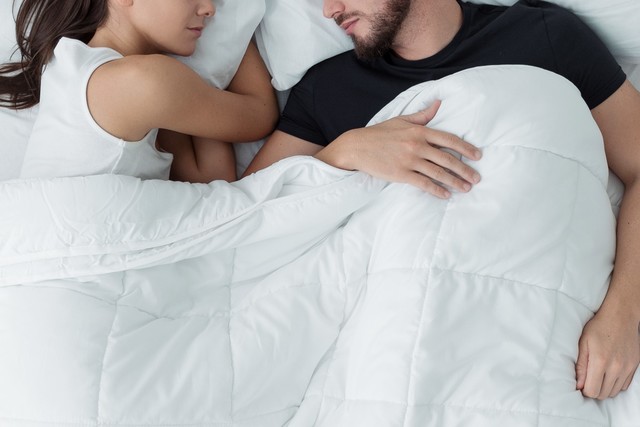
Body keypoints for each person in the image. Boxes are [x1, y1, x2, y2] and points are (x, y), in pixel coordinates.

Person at [244, 0, 640, 400]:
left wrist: (623, 315)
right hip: (384, 352)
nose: (330, 9)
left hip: (538, 336)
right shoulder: (331, 89)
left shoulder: (544, 35)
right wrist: (346, 152)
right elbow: (246, 214)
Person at [0, 0, 278, 182]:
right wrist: (231, 31)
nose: (210, 9)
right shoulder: (142, 82)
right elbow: (260, 115)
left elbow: (209, 178)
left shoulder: (71, 63)